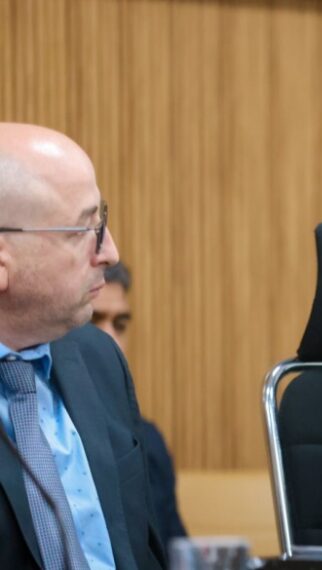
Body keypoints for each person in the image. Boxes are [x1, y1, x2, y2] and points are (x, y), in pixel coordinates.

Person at [0, 123, 163, 568]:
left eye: (102, 221)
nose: (109, 252)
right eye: (83, 229)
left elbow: (144, 550)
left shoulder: (98, 358)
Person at [93, 262, 188, 547]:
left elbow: (176, 554)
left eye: (120, 325)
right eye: (92, 322)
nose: (113, 342)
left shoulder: (147, 442)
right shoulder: (33, 438)